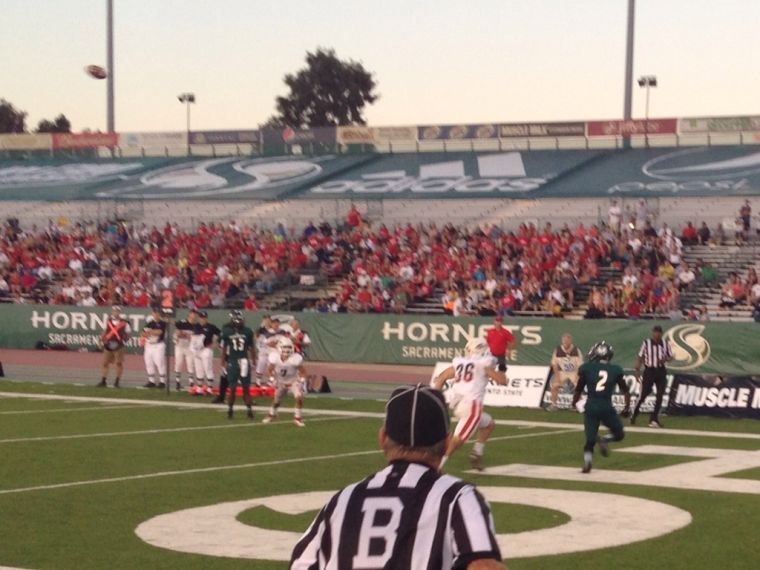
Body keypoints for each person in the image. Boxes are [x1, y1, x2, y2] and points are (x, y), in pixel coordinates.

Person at [290, 383, 505, 570]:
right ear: (447, 443)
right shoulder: (458, 497)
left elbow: (302, 563)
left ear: (382, 438)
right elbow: (484, 565)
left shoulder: (343, 500)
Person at [432, 338, 507, 471]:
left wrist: (436, 397)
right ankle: (436, 467)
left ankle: (476, 453)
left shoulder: (462, 362)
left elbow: (442, 377)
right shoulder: (484, 363)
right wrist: (502, 370)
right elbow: (501, 381)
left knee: (488, 424)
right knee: (457, 441)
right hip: (472, 406)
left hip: (458, 404)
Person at [572, 341, 631, 474]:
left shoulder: (587, 368)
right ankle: (605, 439)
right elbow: (626, 391)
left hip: (591, 406)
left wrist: (574, 402)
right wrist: (627, 408)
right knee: (619, 434)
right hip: (606, 407)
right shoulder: (615, 369)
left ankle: (587, 462)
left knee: (590, 439)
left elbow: (578, 389)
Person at [632, 325, 673, 428]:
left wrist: (665, 360)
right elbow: (640, 356)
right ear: (652, 332)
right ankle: (634, 414)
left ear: (662, 333)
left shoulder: (665, 343)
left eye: (659, 332)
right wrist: (637, 371)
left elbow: (671, 356)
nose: (657, 334)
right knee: (643, 394)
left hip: (661, 371)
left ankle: (654, 419)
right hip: (649, 371)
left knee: (660, 395)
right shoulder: (646, 343)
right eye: (656, 332)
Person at [263, 337, 308, 427]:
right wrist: (272, 379)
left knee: (298, 397)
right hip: (280, 382)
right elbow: (268, 371)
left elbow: (303, 372)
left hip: (293, 381)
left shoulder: (295, 358)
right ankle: (272, 414)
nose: (287, 349)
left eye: (288, 347)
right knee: (276, 401)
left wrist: (302, 381)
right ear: (279, 347)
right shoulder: (274, 357)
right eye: (284, 347)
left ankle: (297, 418)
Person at [220, 310, 256, 420]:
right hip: (243, 361)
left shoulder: (227, 331)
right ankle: (248, 411)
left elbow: (224, 348)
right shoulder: (247, 331)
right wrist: (254, 360)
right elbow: (251, 348)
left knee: (233, 388)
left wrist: (223, 362)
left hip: (234, 361)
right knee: (244, 388)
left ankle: (230, 410)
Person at [97, 305, 130, 388]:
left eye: (117, 311)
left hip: (119, 345)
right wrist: (101, 340)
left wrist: (125, 340)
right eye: (114, 311)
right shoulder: (108, 321)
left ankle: (117, 381)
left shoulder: (125, 323)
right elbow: (105, 331)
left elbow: (128, 334)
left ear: (119, 312)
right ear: (112, 312)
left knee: (119, 363)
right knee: (105, 363)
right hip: (108, 344)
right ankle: (103, 380)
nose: (115, 312)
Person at [547, 333, 583, 411]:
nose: (565, 343)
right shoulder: (558, 350)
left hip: (574, 371)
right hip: (562, 371)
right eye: (564, 341)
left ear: (570, 341)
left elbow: (579, 365)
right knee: (554, 385)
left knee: (578, 386)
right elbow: (554, 364)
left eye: (567, 341)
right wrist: (557, 376)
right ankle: (553, 404)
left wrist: (577, 376)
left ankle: (578, 405)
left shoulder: (576, 350)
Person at [191, 310, 221, 395]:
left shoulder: (211, 327)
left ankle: (209, 388)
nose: (202, 319)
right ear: (199, 318)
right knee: (198, 369)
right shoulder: (196, 326)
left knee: (208, 368)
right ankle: (199, 388)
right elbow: (193, 337)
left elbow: (221, 334)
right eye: (201, 318)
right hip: (197, 350)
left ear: (206, 318)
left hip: (206, 349)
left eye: (204, 318)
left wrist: (214, 344)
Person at [141, 305, 167, 389]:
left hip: (158, 345)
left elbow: (159, 332)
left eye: (157, 313)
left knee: (159, 362)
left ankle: (162, 382)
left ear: (160, 314)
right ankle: (151, 381)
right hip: (149, 345)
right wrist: (151, 332)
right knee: (148, 363)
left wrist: (150, 332)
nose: (156, 314)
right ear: (152, 313)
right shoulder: (150, 322)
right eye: (154, 312)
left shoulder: (162, 323)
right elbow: (142, 333)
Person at [173, 308, 198, 391]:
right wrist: (186, 335)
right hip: (180, 345)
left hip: (189, 347)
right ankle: (177, 382)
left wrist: (186, 335)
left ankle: (191, 382)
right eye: (192, 313)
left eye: (195, 314)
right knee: (178, 363)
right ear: (189, 314)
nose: (194, 315)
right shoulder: (182, 322)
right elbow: (178, 333)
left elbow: (194, 338)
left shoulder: (196, 326)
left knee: (190, 364)